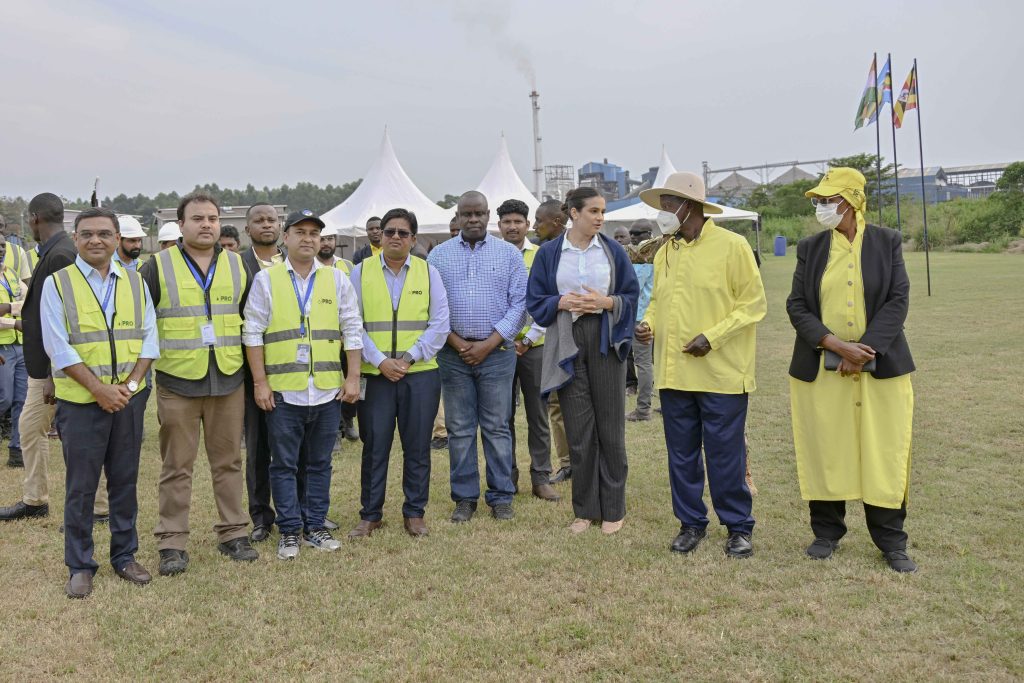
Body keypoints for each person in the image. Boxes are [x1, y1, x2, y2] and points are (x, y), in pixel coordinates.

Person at [787, 167, 917, 573]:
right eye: (819, 201)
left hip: (881, 369)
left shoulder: (886, 241)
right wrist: (834, 344)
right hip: (821, 368)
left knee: (883, 451)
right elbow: (797, 305)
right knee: (827, 447)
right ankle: (826, 533)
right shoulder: (810, 248)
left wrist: (864, 350)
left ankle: (891, 541)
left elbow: (898, 299)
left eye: (829, 200)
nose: (822, 207)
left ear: (853, 201)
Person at [635, 172, 766, 558]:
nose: (662, 213)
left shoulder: (732, 246)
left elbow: (753, 305)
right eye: (661, 206)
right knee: (682, 455)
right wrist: (648, 323)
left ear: (689, 206)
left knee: (725, 455)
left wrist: (713, 337)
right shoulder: (666, 251)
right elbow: (658, 301)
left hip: (721, 373)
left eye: (668, 205)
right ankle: (691, 522)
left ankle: (738, 527)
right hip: (674, 373)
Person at [41, 207, 158, 598]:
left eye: (105, 234)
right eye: (87, 233)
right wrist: (99, 390)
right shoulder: (58, 284)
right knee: (81, 486)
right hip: (80, 403)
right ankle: (79, 564)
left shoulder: (136, 282)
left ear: (116, 239)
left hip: (128, 400)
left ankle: (124, 556)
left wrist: (130, 385)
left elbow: (150, 339)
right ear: (75, 238)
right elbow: (58, 347)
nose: (96, 240)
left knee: (125, 481)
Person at [140, 192, 258, 575]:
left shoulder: (239, 265)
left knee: (229, 462)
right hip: (178, 383)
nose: (206, 224)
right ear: (181, 225)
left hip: (228, 379)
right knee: (177, 466)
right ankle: (172, 543)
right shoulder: (157, 267)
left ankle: (233, 533)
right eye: (197, 218)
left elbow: (251, 322)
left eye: (212, 218)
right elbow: (143, 325)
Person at [243, 210, 362, 560]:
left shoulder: (337, 279)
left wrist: (353, 377)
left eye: (314, 233)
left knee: (320, 464)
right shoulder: (266, 280)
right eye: (300, 232)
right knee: (283, 465)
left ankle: (315, 526)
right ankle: (290, 531)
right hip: (284, 392)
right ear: (286, 237)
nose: (308, 238)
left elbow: (352, 329)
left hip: (326, 390)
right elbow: (252, 332)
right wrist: (260, 383)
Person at [527, 187, 639, 535]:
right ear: (573, 213)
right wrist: (560, 302)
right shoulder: (549, 254)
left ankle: (614, 509)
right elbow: (536, 299)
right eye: (593, 211)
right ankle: (585, 510)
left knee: (610, 428)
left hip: (605, 340)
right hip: (567, 340)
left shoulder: (613, 250)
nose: (600, 218)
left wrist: (607, 303)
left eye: (603, 211)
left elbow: (630, 294)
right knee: (578, 429)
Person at [0, 193, 110, 524]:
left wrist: (52, 373)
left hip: (58, 369)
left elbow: (67, 320)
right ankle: (35, 500)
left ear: (34, 218)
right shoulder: (54, 251)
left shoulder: (61, 255)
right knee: (31, 427)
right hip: (46, 367)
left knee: (79, 437)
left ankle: (99, 507)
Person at [348, 208, 449, 538]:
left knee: (417, 446)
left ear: (413, 239)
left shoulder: (429, 272)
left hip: (419, 374)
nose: (395, 237)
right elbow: (352, 324)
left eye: (402, 233)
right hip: (376, 375)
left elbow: (440, 323)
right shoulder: (360, 272)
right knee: (374, 446)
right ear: (380, 235)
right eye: (389, 231)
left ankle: (414, 513)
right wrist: (380, 361)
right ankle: (370, 514)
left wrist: (407, 358)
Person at [428, 191, 527, 523]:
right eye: (466, 214)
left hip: (497, 354)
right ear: (457, 217)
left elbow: (520, 304)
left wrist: (489, 343)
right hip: (453, 355)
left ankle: (501, 496)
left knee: (497, 426)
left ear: (488, 216)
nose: (472, 219)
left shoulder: (509, 254)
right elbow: (433, 307)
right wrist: (457, 343)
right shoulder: (438, 256)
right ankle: (465, 498)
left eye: (478, 213)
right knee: (459, 428)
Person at [496, 199, 560, 502]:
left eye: (517, 222)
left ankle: (541, 477)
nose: (512, 227)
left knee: (538, 415)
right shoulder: (493, 255)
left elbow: (549, 299)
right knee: (501, 417)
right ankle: (506, 477)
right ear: (499, 226)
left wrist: (529, 339)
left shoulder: (542, 255)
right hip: (499, 347)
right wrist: (504, 339)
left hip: (535, 347)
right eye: (506, 222)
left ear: (527, 225)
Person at [239, 203, 284, 543]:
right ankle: (261, 516)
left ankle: (297, 510)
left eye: (272, 219)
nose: (266, 224)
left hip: (293, 369)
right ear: (247, 228)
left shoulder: (295, 261)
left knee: (296, 446)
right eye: (259, 220)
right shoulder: (237, 265)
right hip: (252, 369)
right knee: (258, 447)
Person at [532, 199, 572, 484]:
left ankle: (587, 460)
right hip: (550, 337)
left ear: (557, 222)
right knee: (556, 402)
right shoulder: (544, 253)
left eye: (539, 221)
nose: (535, 226)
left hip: (577, 335)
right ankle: (568, 463)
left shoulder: (577, 250)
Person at [0, 232, 30, 467]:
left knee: (22, 400)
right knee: (4, 398)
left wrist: (8, 307)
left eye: (2, 246)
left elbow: (28, 301)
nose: (1, 250)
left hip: (20, 346)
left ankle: (17, 452)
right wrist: (13, 314)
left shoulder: (10, 273)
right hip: (2, 348)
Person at [626, 219, 657, 422]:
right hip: (650, 316)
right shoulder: (657, 254)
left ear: (649, 234)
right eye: (632, 233)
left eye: (638, 233)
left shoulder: (643, 257)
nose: (633, 237)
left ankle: (643, 409)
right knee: (650, 362)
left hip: (641, 318)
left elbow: (633, 287)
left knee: (643, 363)